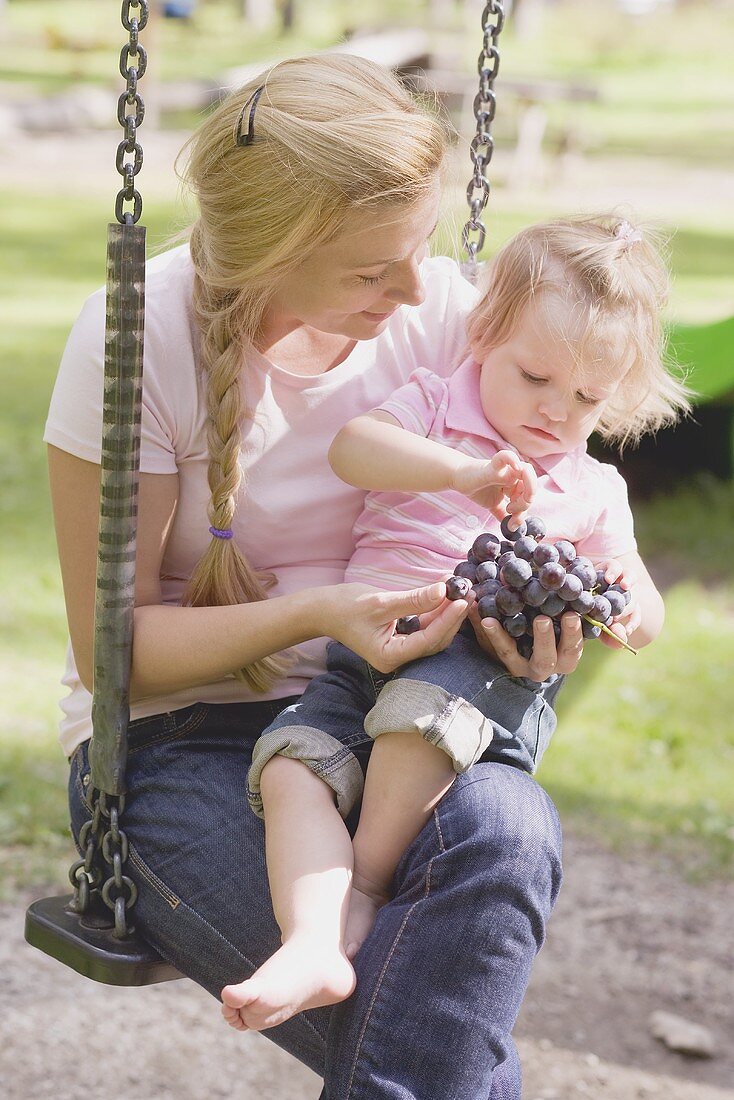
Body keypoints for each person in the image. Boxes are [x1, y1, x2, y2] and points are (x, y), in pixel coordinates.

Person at [46, 55, 581, 1100]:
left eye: (420, 247)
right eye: (373, 269)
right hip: (170, 748)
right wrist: (320, 611)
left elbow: (552, 472)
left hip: (380, 720)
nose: (419, 288)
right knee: (426, 1019)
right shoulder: (136, 335)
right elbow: (116, 657)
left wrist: (541, 605)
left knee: (510, 830)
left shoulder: (431, 318)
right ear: (274, 253)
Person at [222, 214, 691, 1035]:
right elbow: (354, 451)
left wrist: (618, 601)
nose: (553, 413)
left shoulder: (591, 490)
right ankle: (310, 942)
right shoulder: (437, 409)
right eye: (536, 377)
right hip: (365, 654)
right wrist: (464, 473)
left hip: (478, 675)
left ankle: (360, 892)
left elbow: (644, 611)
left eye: (586, 399)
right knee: (292, 767)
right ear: (485, 334)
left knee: (419, 714)